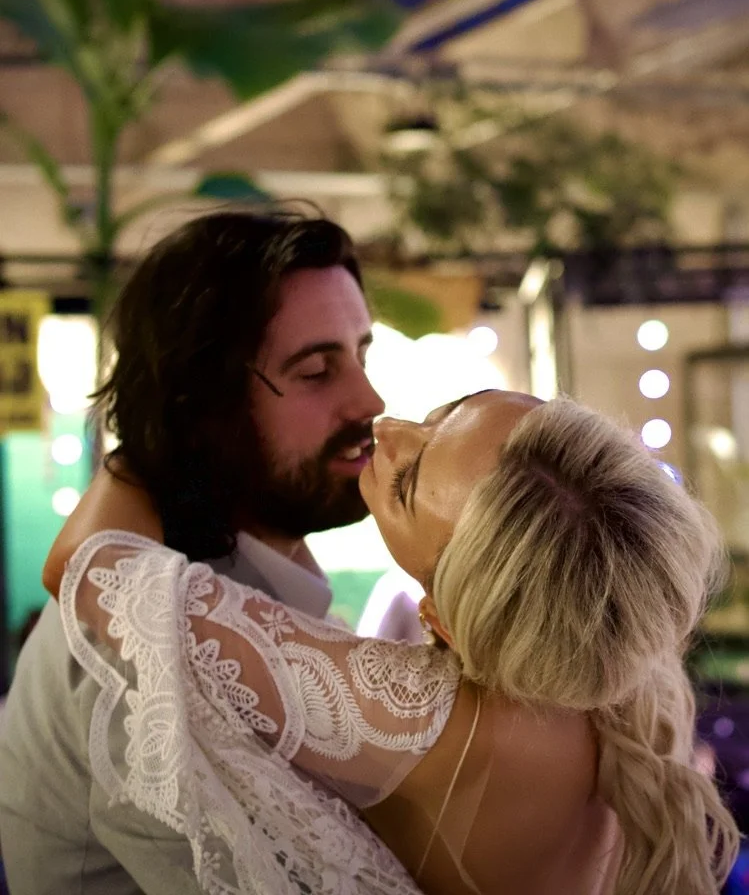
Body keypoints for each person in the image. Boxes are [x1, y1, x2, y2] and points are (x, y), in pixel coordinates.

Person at [44, 389, 740, 895]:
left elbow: (88, 568)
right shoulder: (611, 664)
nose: (388, 426)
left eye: (405, 484)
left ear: (441, 615)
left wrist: (147, 435)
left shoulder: (429, 719)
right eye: (446, 411)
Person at [0, 208, 385, 895]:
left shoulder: (255, 588)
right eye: (316, 372)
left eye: (361, 355)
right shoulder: (140, 645)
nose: (369, 400)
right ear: (206, 408)